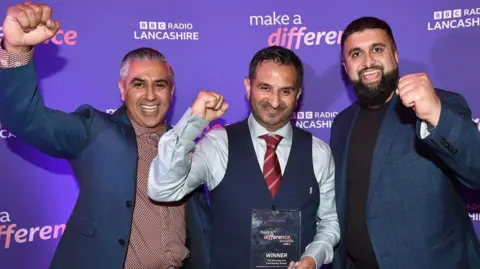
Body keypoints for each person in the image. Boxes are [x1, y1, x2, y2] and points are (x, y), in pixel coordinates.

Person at [0, 3, 210, 269]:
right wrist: (17, 51)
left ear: (172, 91)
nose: (149, 95)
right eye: (138, 84)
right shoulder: (94, 129)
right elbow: (26, 119)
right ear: (122, 90)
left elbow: (201, 227)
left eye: (160, 85)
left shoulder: (186, 144)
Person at [147, 45, 340, 269]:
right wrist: (193, 122)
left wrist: (313, 259)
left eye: (285, 91)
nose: (275, 101)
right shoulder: (218, 144)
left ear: (298, 94)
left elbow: (330, 223)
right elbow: (163, 189)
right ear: (248, 87)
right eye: (265, 88)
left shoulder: (318, 152)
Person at [330, 16, 480, 269]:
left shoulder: (441, 105)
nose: (368, 62)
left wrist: (435, 115)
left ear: (396, 56)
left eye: (377, 49)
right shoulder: (341, 123)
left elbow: (476, 171)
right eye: (356, 54)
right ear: (346, 67)